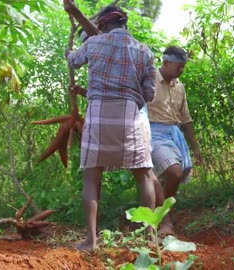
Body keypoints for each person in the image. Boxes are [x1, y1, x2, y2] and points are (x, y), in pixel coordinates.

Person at [66, 5, 157, 251]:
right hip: (131, 118)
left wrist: (68, 51)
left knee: (92, 177)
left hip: (98, 117)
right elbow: (149, 94)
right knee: (144, 175)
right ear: (124, 24)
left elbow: (73, 62)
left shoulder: (94, 43)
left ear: (103, 26)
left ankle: (91, 241)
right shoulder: (144, 50)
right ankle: (150, 238)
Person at [147, 46, 203, 236]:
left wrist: (195, 148)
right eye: (179, 67)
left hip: (174, 134)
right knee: (174, 173)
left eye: (183, 67)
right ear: (166, 63)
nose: (181, 71)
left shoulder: (179, 86)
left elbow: (185, 119)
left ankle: (159, 213)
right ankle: (165, 218)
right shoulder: (148, 79)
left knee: (170, 176)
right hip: (152, 133)